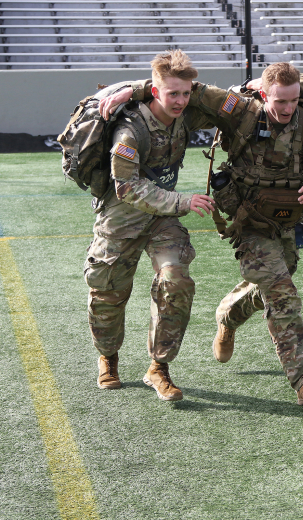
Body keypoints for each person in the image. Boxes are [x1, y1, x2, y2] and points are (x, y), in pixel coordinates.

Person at [101, 63, 303, 405]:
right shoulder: (242, 111)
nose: (288, 108)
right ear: (263, 93)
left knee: (279, 276)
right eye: (280, 101)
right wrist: (137, 90)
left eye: (294, 100)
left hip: (289, 217)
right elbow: (189, 91)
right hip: (248, 218)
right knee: (280, 291)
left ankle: (227, 316)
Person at [87, 50, 214, 401]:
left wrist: (254, 86)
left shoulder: (185, 115)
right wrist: (183, 201)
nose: (181, 101)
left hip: (161, 220)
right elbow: (126, 187)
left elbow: (223, 102)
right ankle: (108, 357)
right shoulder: (130, 130)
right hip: (122, 219)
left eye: (186, 93)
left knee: (176, 279)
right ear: (155, 91)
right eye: (172, 93)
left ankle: (159, 367)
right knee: (108, 297)